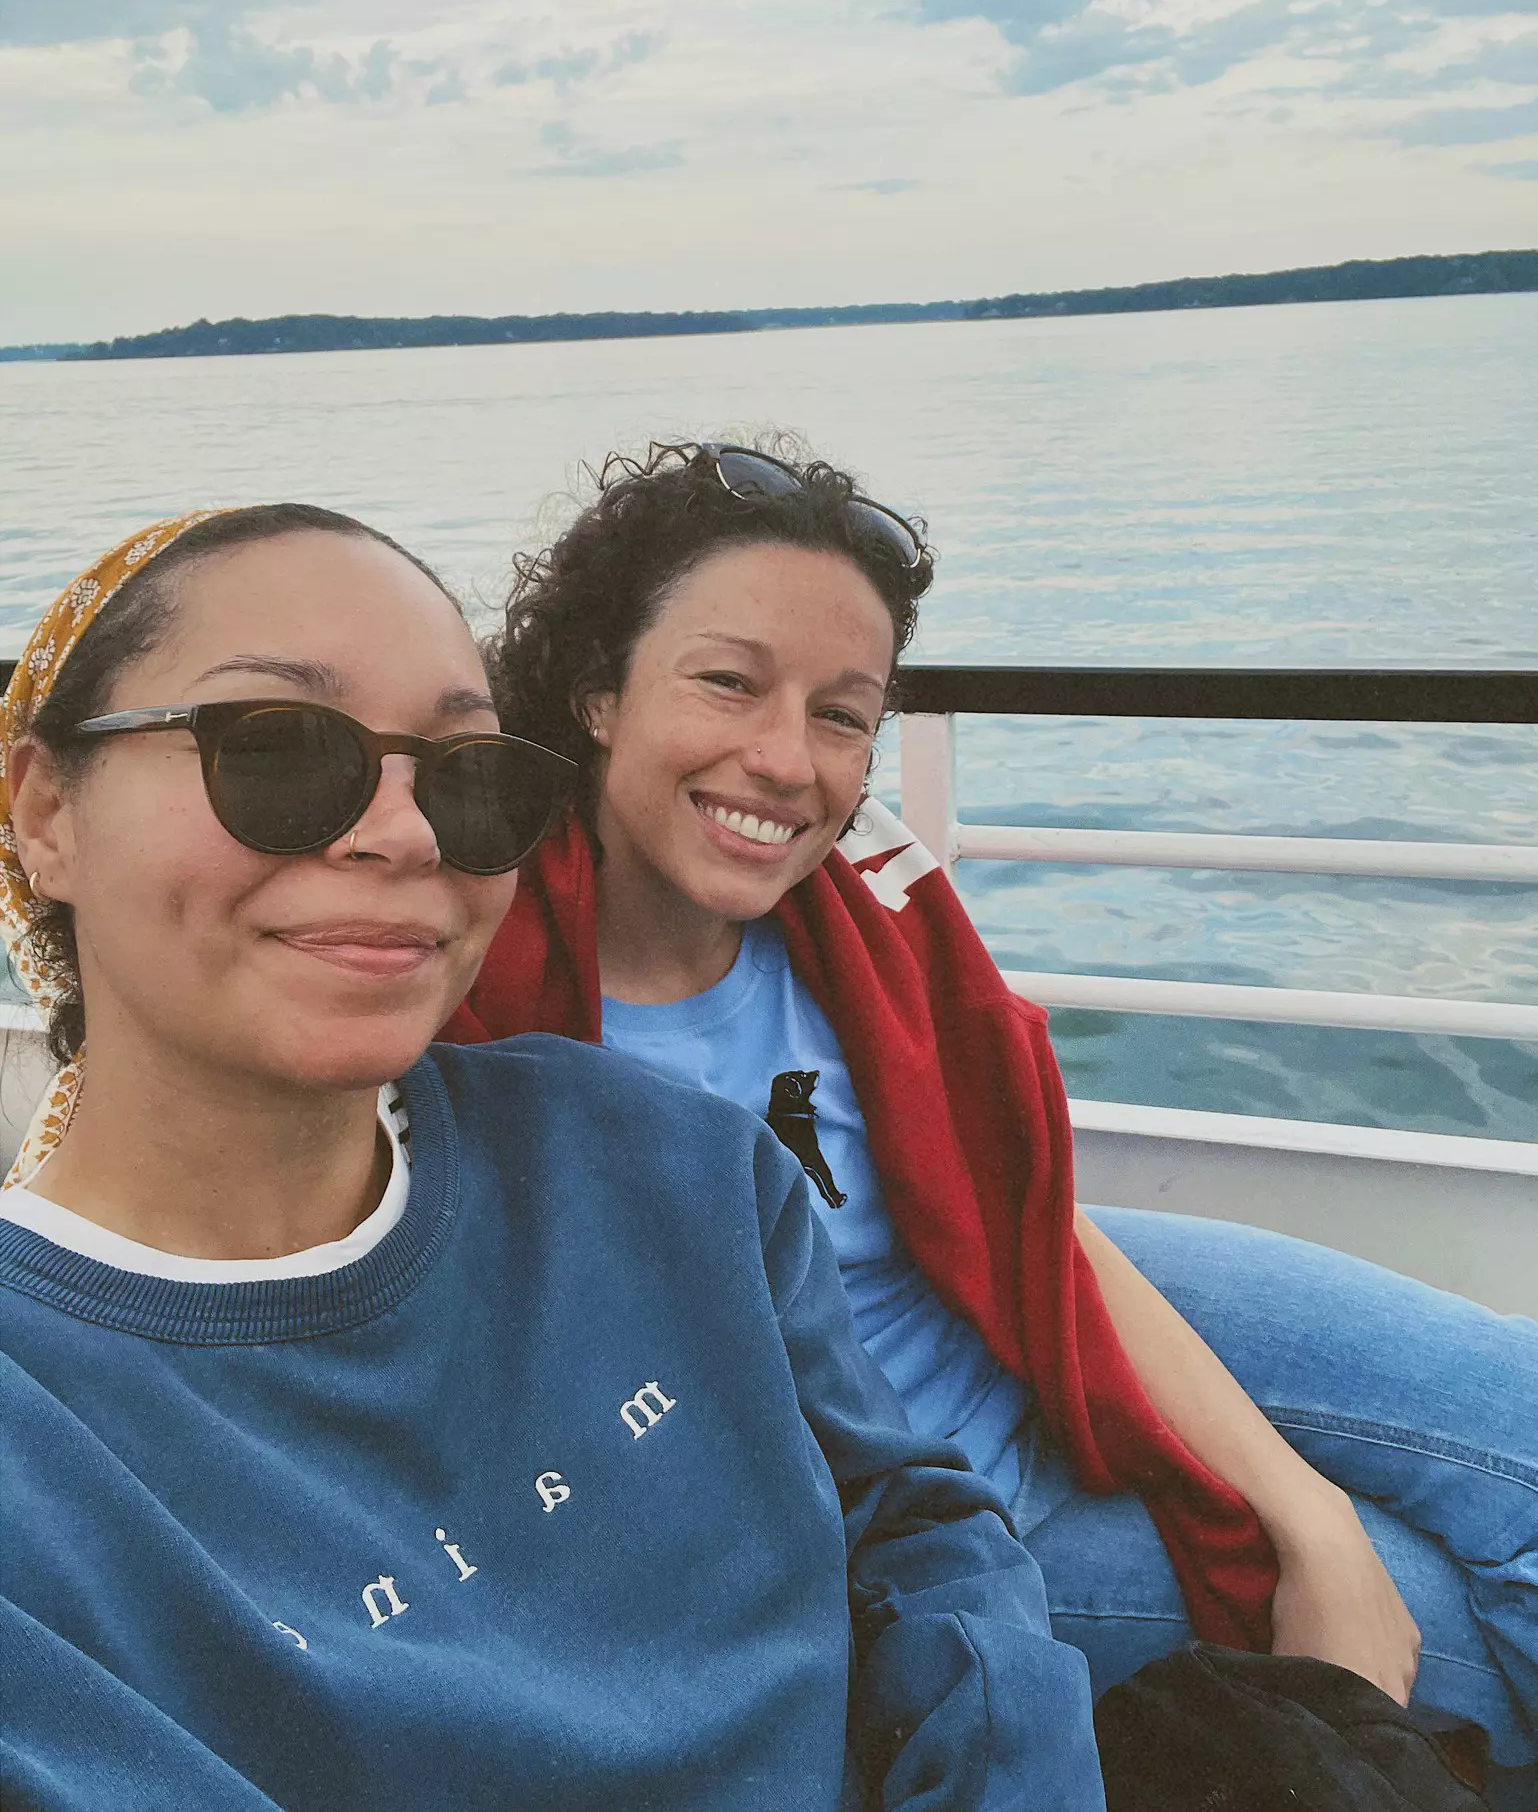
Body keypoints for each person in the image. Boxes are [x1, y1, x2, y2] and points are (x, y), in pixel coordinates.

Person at [446, 441, 1538, 1798]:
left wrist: (1305, 1513)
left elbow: (1020, 1211)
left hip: (1017, 1300)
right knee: (1439, 1614)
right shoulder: (470, 1001)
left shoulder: (863, 916)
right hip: (929, 1523)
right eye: (726, 681)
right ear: (598, 692)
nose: (784, 760)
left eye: (841, 714)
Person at [0, 505, 1107, 1812]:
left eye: (467, 775)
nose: (409, 833)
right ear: (45, 811)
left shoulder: (664, 1161)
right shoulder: (41, 1446)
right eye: (281, 748)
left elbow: (912, 1525)